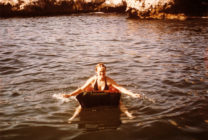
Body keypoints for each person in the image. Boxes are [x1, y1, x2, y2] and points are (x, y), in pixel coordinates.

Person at [63, 63, 141, 122]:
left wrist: (132, 94)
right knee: (81, 105)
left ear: (105, 71)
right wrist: (70, 95)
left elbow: (120, 88)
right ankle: (73, 117)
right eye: (100, 72)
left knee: (119, 102)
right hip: (94, 96)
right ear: (96, 71)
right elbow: (81, 89)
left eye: (103, 71)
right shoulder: (93, 80)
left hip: (105, 96)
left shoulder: (109, 80)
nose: (102, 74)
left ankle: (128, 114)